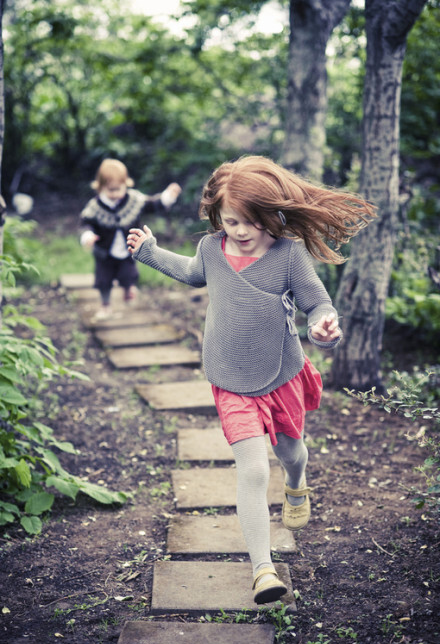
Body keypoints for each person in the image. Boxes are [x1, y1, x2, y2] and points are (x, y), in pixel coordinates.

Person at [127, 155, 375, 605]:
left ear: (273, 217)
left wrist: (325, 326)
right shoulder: (211, 250)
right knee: (254, 469)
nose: (241, 231)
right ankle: (263, 568)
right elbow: (188, 273)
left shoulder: (288, 255)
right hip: (231, 377)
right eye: (232, 220)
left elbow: (317, 303)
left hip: (280, 373)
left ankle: (297, 482)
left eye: (252, 222)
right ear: (217, 216)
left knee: (289, 452)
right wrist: (148, 250)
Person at [80, 158, 181, 320]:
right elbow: (86, 223)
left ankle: (128, 290)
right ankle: (105, 306)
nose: (115, 194)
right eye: (110, 190)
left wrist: (167, 196)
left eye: (119, 189)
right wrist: (87, 235)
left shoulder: (133, 199)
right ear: (100, 187)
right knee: (103, 280)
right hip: (104, 253)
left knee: (129, 274)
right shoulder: (95, 206)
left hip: (128, 250)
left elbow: (152, 204)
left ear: (126, 184)